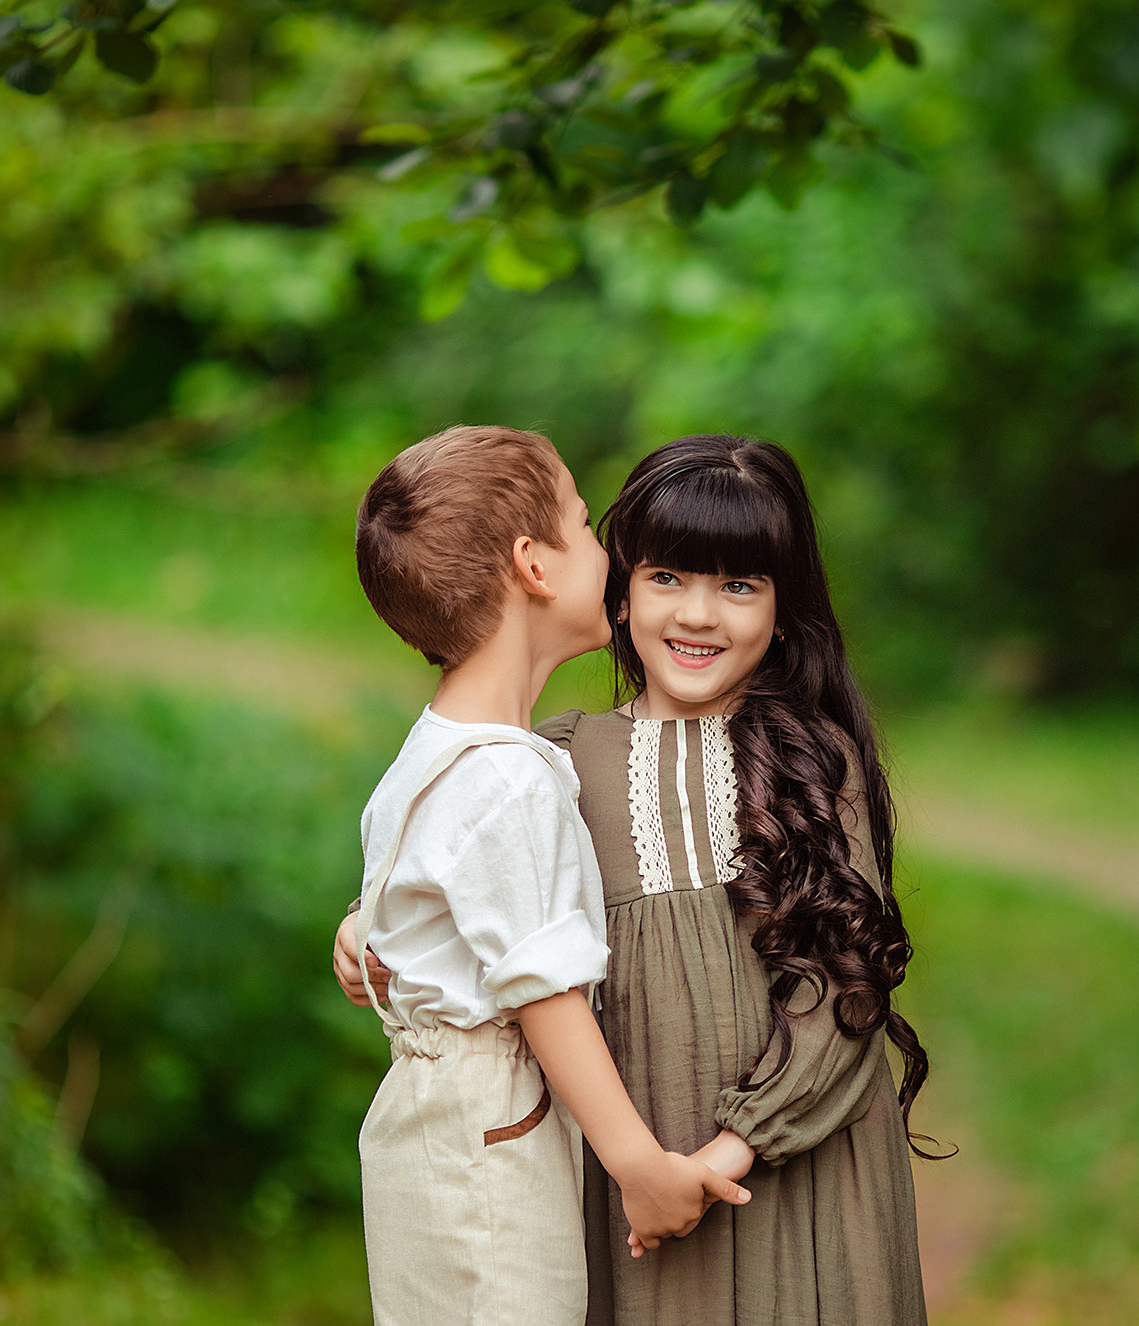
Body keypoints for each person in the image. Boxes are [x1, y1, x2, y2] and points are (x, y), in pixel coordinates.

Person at [338, 434, 931, 1325]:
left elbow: (843, 988)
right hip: (634, 1178)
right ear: (622, 583)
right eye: (666, 577)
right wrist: (361, 925)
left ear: (782, 604)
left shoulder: (811, 762)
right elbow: (472, 869)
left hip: (789, 1169)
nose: (698, 615)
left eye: (739, 585)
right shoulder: (558, 762)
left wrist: (726, 1156)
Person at [347, 425, 749, 1326]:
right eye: (582, 521)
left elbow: (428, 892)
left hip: (429, 1122)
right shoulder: (510, 775)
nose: (607, 551)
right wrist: (641, 1168)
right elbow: (545, 993)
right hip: (492, 1132)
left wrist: (360, 929)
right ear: (534, 566)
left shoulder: (441, 746)